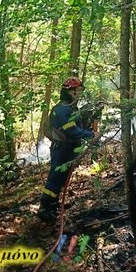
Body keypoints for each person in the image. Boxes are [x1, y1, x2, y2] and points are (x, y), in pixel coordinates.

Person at [37, 77, 98, 224]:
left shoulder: (70, 107)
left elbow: (77, 127)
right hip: (62, 149)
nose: (80, 93)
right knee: (55, 179)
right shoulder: (63, 110)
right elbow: (72, 131)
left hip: (68, 149)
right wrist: (91, 135)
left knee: (61, 178)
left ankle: (53, 204)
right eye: (78, 90)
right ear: (71, 92)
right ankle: (45, 209)